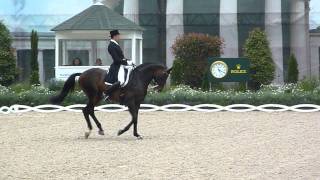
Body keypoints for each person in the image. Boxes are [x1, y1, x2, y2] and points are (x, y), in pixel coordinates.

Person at [104, 30, 131, 96]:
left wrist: (128, 60)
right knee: (121, 81)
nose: (119, 37)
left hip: (121, 64)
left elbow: (121, 57)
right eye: (118, 36)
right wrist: (126, 62)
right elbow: (116, 59)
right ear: (115, 36)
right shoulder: (111, 45)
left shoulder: (115, 44)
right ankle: (107, 93)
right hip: (117, 66)